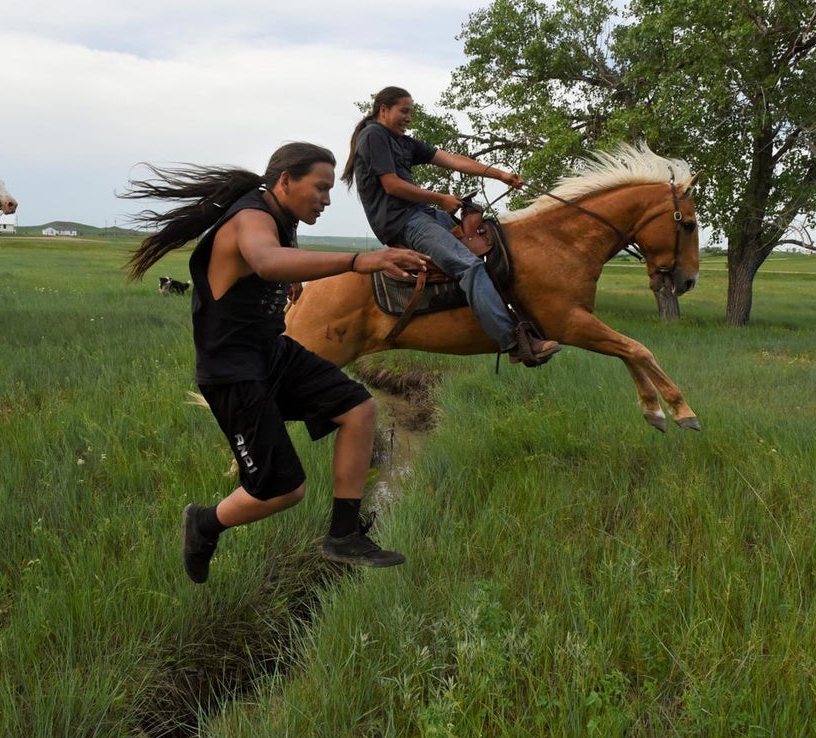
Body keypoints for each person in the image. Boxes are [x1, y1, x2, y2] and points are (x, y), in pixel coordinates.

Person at [124, 141, 430, 584]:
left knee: (359, 408)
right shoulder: (252, 216)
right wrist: (362, 260)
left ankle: (344, 535)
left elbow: (266, 266)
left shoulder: (282, 217)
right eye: (321, 188)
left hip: (273, 353)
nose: (326, 199)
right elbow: (266, 260)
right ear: (285, 180)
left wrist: (291, 280)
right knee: (283, 491)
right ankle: (204, 523)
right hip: (233, 371)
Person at [342, 86, 560, 366]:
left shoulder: (404, 142)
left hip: (421, 213)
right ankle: (513, 342)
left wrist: (501, 175)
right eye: (404, 111)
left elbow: (452, 160)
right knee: (468, 265)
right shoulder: (373, 135)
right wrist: (440, 199)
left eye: (411, 112)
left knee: (489, 241)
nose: (409, 118)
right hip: (403, 222)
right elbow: (392, 185)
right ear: (383, 109)